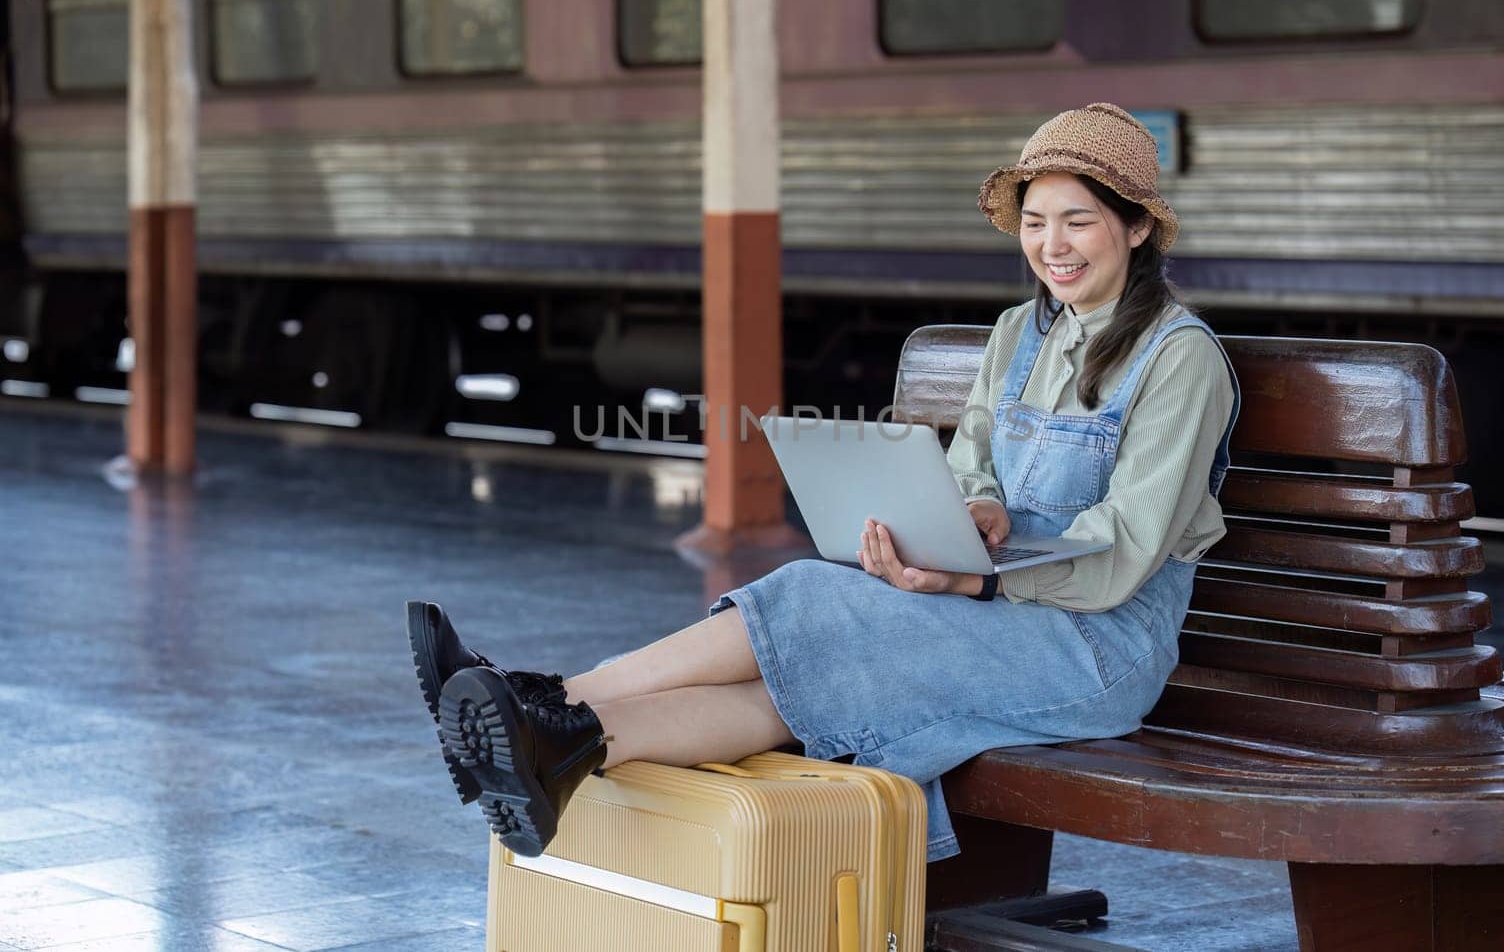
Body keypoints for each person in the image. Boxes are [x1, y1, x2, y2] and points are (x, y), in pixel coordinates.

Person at [407, 102, 1242, 863]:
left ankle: (538, 697)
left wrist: (967, 582)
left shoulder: (1180, 359)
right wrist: (968, 516)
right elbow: (974, 464)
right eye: (1034, 222)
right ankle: (565, 745)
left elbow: (1126, 551)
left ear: (1136, 229)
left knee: (810, 597)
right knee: (794, 689)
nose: (1051, 246)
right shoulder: (1020, 331)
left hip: (1096, 650)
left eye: (1077, 222)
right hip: (996, 610)